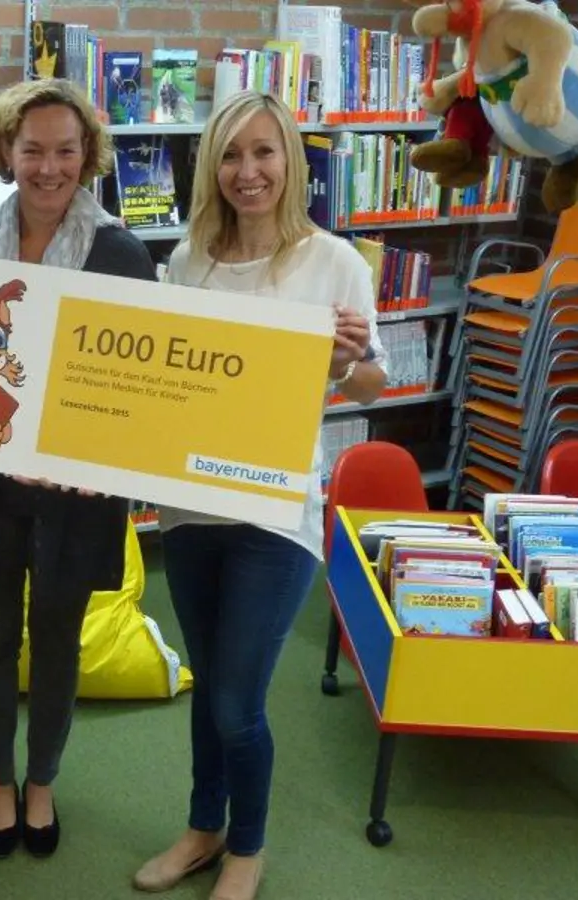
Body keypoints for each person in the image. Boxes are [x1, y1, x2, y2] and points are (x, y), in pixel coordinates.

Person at [132, 90, 385, 900]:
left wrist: (348, 361)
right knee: (210, 686)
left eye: (265, 152)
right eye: (232, 155)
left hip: (277, 516)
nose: (249, 172)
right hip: (190, 508)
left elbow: (375, 386)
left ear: (291, 162)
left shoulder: (335, 262)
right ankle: (204, 827)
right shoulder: (185, 262)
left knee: (239, 700)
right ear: (212, 166)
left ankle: (248, 844)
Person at [0, 78, 158, 860]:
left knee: (57, 638)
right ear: (5, 152)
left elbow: (137, 392)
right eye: (32, 149)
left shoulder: (123, 254)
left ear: (88, 155)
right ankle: (0, 782)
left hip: (75, 497)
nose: (50, 166)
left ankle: (42, 782)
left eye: (67, 150)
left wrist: (88, 456)